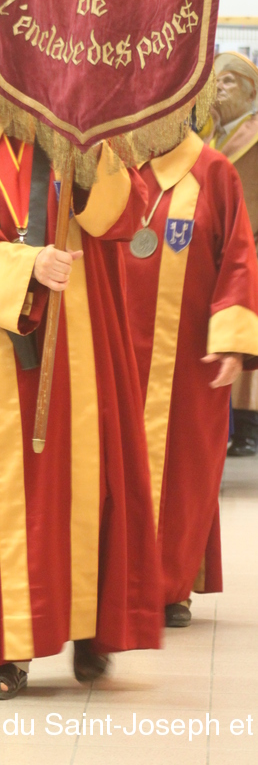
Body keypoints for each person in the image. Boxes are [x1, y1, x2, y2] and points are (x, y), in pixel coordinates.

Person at [0, 25, 161, 699]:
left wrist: (88, 158)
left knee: (94, 477)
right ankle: (8, 651)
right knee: (3, 495)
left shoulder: (87, 134)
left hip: (88, 336)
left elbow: (126, 218)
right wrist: (26, 265)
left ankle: (93, 630)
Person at [124, 127, 258, 628]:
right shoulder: (107, 161)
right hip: (112, 346)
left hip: (187, 358)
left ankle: (169, 586)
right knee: (113, 465)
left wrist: (232, 342)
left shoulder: (212, 171)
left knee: (185, 470)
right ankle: (113, 582)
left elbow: (239, 259)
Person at [208, 52, 258, 456]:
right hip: (217, 250)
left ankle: (248, 427)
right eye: (216, 81)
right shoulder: (207, 137)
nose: (219, 89)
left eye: (229, 81)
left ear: (251, 92)